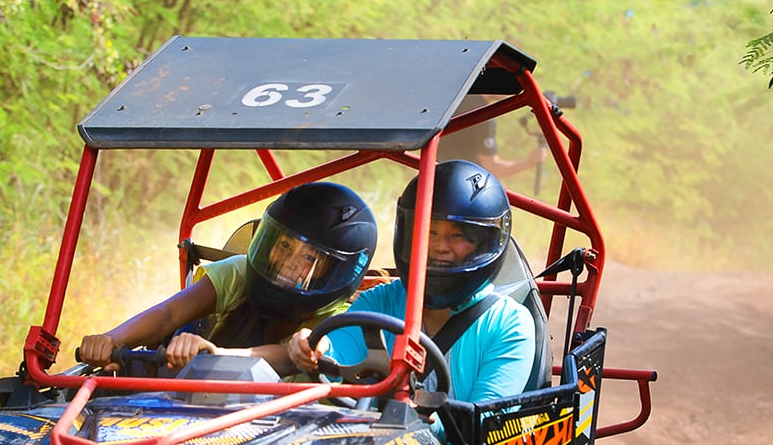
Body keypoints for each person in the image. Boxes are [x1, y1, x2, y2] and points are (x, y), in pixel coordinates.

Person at [287, 160, 535, 404]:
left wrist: (417, 411)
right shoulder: (380, 301)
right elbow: (338, 354)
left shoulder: (509, 325)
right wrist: (315, 348)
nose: (439, 247)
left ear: (484, 245)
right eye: (430, 232)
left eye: (458, 235)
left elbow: (484, 427)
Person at [77, 182, 377, 377]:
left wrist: (215, 355)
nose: (287, 263)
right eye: (284, 245)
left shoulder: (339, 319)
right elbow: (170, 312)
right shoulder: (242, 272)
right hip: (197, 407)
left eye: (309, 258)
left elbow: (287, 357)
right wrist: (113, 338)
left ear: (340, 272)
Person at [437, 94, 547, 181]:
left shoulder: (454, 99)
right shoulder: (484, 116)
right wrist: (530, 162)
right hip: (464, 188)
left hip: (436, 177)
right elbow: (492, 167)